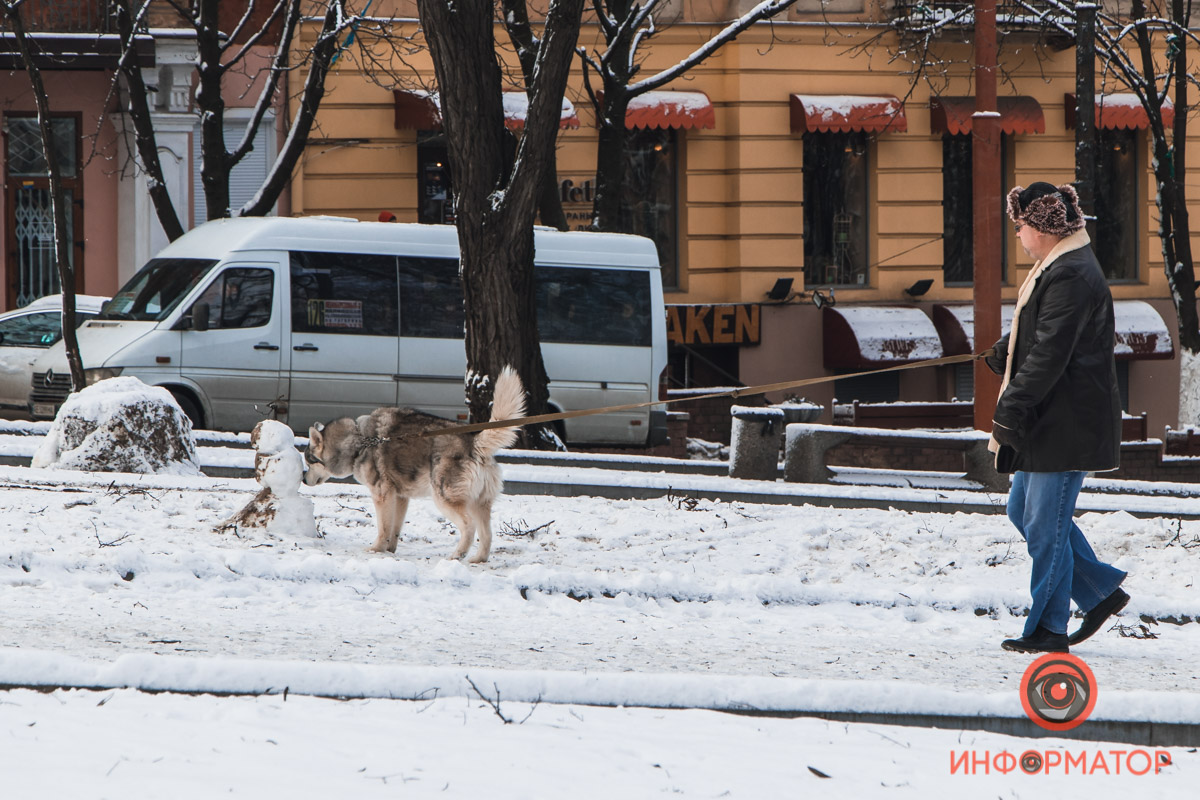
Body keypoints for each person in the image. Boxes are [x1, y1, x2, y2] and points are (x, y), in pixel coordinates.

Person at [985, 182, 1130, 654]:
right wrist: (1008, 351)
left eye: (1021, 226)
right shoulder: (1062, 265)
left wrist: (1009, 409)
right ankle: (1099, 593)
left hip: (1066, 424)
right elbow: (1047, 333)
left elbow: (1050, 354)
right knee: (1022, 511)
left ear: (1043, 229)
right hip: (1054, 419)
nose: (1019, 235)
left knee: (1046, 525)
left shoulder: (1069, 274)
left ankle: (1048, 628)